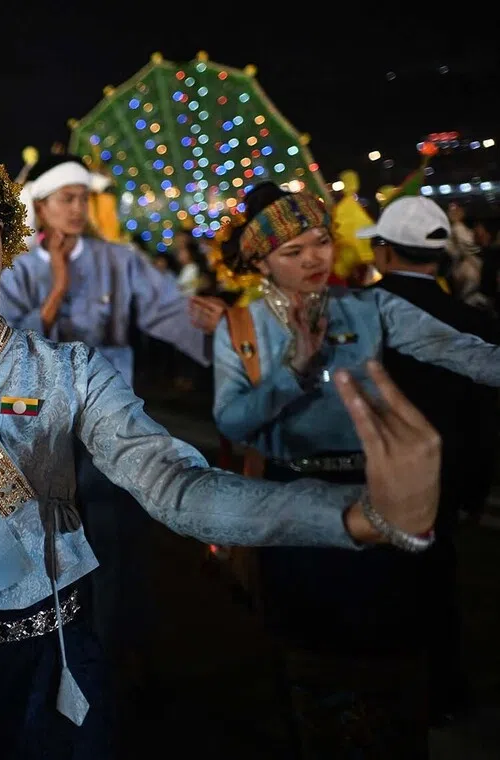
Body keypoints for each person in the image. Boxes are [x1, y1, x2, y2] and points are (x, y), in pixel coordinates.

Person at [0, 146, 443, 759]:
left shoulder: (67, 371)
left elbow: (177, 486)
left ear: (5, 240)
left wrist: (356, 516)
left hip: (58, 660)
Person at [212, 182, 499, 757]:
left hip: (374, 493)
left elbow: (463, 351)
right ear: (259, 260)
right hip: (293, 506)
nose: (314, 259)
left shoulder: (371, 308)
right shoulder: (242, 329)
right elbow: (234, 422)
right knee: (311, 658)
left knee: (391, 653)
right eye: (293, 252)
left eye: (320, 242)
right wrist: (294, 371)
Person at [0, 153, 226, 683]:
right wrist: (54, 289)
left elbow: (167, 312)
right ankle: (51, 644)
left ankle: (119, 645)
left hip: (108, 416)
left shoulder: (119, 260)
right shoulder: (16, 267)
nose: (78, 208)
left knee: (117, 528)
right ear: (41, 205)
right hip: (40, 423)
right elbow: (7, 344)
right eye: (66, 199)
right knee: (45, 534)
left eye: (83, 198)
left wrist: (229, 346)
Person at [363, 196, 500, 724]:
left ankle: (384, 697)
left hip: (373, 477)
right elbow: (482, 421)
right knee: (438, 589)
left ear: (386, 251)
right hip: (448, 480)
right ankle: (443, 692)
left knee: (378, 588)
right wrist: (474, 489)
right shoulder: (471, 319)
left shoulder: (359, 312)